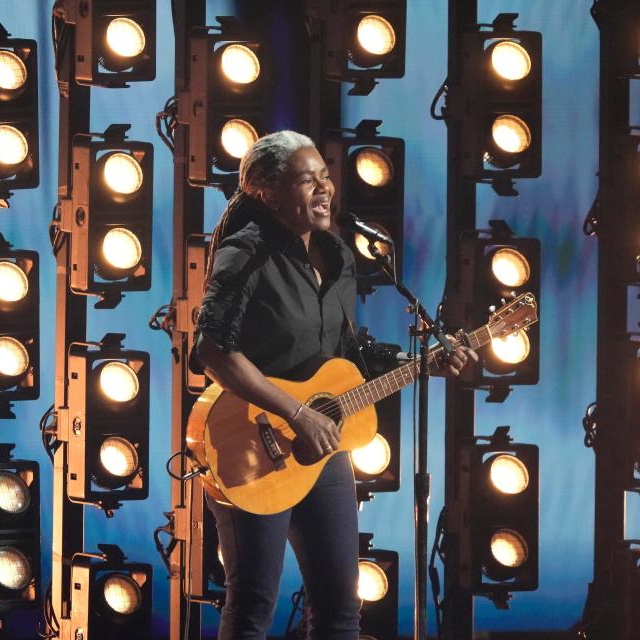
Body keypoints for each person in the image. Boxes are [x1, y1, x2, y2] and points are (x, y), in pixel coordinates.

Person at [192, 130, 477, 640]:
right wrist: (297, 413)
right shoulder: (245, 253)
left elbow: (345, 354)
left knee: (341, 610)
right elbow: (212, 352)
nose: (325, 189)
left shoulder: (338, 254)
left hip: (323, 456)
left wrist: (421, 360)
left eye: (326, 177)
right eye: (307, 180)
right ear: (267, 193)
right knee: (254, 606)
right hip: (252, 445)